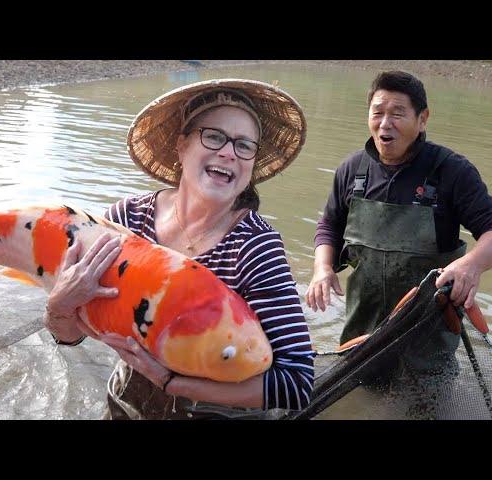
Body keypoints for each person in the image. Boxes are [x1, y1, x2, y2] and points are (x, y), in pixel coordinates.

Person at [43, 79, 315, 419]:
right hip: (127, 402)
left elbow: (297, 383)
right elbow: (72, 337)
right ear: (181, 146)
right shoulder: (127, 220)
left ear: (251, 164)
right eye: (214, 136)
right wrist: (58, 307)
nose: (229, 152)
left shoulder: (254, 246)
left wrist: (171, 382)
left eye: (244, 145)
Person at [306, 71, 492, 369]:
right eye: (377, 113)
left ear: (423, 119)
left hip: (427, 340)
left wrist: (471, 264)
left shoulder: (451, 171)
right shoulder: (352, 170)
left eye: (397, 114)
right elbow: (329, 225)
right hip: (361, 334)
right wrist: (322, 268)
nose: (384, 123)